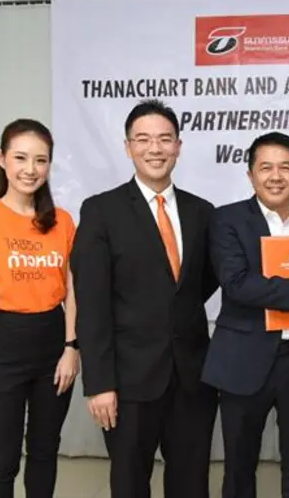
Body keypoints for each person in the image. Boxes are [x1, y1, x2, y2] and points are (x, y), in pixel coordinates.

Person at [70, 99, 219, 498]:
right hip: (127, 382)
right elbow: (92, 304)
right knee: (130, 484)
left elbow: (199, 285)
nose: (155, 148)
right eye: (143, 139)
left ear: (178, 146)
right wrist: (99, 384)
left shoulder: (202, 212)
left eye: (165, 139)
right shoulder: (101, 211)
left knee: (191, 485)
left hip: (192, 378)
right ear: (128, 147)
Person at [202, 131, 289, 498]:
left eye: (285, 167)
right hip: (243, 360)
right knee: (239, 468)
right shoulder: (227, 219)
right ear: (250, 175)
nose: (275, 176)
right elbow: (237, 284)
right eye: (265, 168)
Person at [0, 119, 80, 498]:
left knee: (44, 452)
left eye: (40, 160)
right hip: (3, 346)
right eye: (21, 158)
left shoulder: (63, 222)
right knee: (1, 460)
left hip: (53, 345)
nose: (31, 169)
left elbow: (73, 290)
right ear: (2, 159)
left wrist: (72, 348)